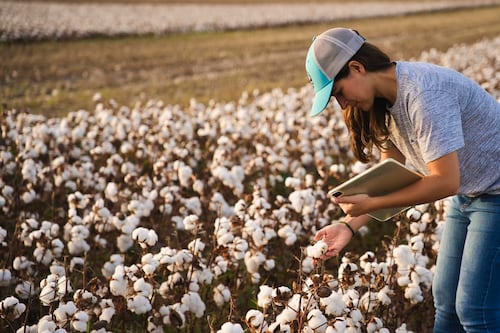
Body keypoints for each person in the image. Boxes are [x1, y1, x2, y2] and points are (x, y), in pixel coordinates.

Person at [305, 27, 500, 332]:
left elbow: (444, 181)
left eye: (339, 92)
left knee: (475, 309)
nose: (342, 105)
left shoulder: (424, 94)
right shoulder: (387, 100)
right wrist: (348, 226)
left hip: (496, 193)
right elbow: (390, 177)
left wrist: (374, 203)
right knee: (446, 303)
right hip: (471, 193)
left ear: (357, 68)